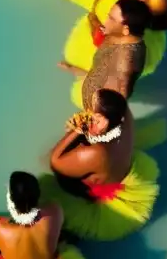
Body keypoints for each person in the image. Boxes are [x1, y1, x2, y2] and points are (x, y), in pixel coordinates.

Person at [42, 89, 160, 240]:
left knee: (65, 218)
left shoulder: (96, 153)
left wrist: (78, 129)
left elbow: (55, 162)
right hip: (120, 172)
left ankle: (72, 237)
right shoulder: (124, 119)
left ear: (103, 122)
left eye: (93, 113)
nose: (88, 113)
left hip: (96, 198)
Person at [60, 0, 150, 110]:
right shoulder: (121, 36)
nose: (106, 21)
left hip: (95, 112)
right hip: (92, 91)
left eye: (111, 19)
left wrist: (91, 121)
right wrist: (75, 70)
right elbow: (103, 71)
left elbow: (113, 106)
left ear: (126, 30)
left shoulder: (124, 63)